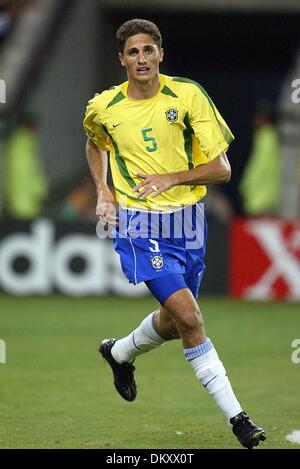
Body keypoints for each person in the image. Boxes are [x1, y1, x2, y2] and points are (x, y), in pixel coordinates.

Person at [83, 18, 266, 449]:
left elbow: (222, 168)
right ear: (122, 59)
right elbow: (95, 142)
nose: (141, 58)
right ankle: (239, 419)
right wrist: (104, 192)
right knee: (190, 318)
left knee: (172, 322)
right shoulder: (103, 106)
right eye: (133, 52)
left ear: (160, 54)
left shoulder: (188, 95)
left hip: (187, 222)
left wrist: (172, 177)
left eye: (149, 50)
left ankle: (120, 352)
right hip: (138, 221)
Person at [239, 100, 281, 216]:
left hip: (263, 200)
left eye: (259, 116)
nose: (255, 119)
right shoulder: (263, 135)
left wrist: (245, 187)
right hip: (261, 199)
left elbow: (260, 167)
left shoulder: (267, 137)